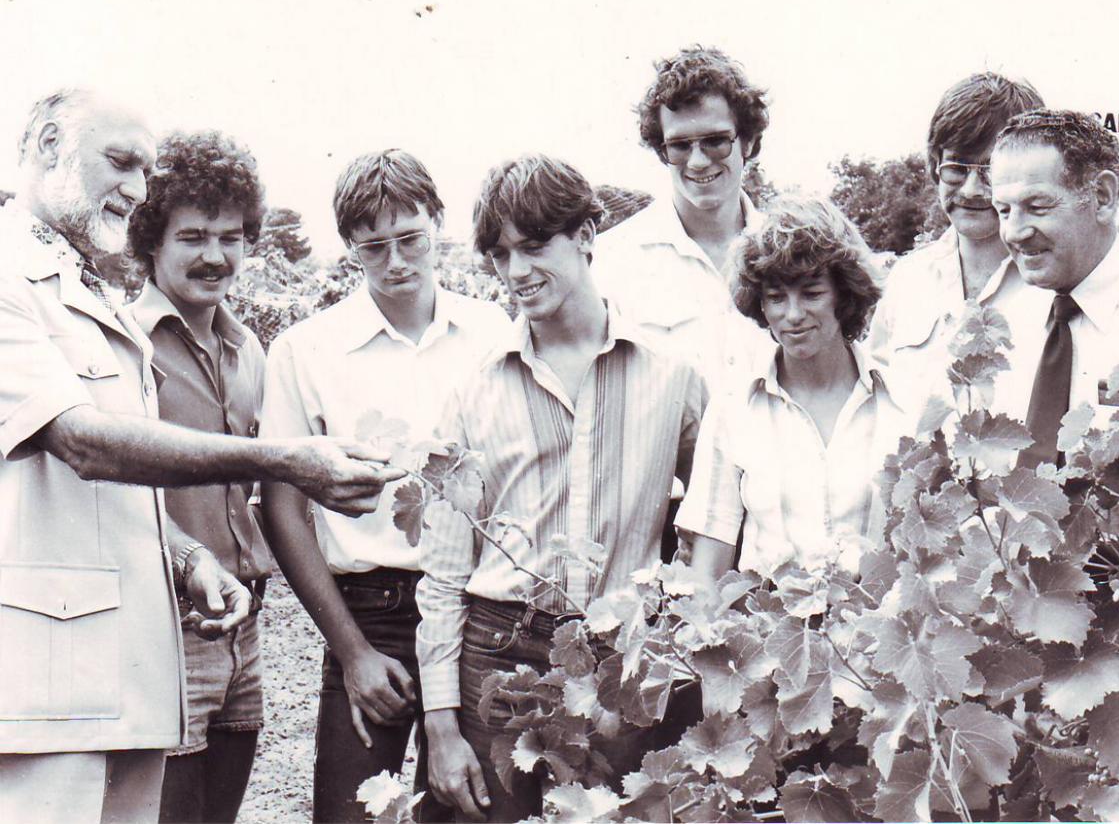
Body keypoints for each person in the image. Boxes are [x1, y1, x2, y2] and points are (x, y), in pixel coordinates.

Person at [0, 89, 397, 824]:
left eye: (144, 171)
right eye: (119, 162)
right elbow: (83, 440)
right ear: (47, 145)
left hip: (126, 657)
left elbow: (119, 490)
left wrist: (186, 561)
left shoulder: (85, 292)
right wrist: (281, 457)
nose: (134, 188)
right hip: (50, 674)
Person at [417, 155, 706, 822]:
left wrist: (665, 627)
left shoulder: (674, 380)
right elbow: (441, 571)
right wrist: (439, 726)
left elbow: (712, 527)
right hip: (500, 655)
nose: (517, 272)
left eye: (535, 245)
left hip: (625, 655)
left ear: (586, 234)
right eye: (500, 253)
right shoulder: (472, 392)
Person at [259, 149, 508, 823]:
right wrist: (352, 653)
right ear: (349, 250)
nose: (397, 263)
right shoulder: (306, 351)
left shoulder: (496, 335)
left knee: (465, 806)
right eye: (374, 248)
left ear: (438, 224)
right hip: (369, 610)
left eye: (411, 241)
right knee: (349, 811)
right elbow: (280, 507)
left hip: (476, 607)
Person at [125, 130, 271, 823]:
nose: (215, 255)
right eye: (193, 236)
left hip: (246, 623)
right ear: (150, 240)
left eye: (231, 236)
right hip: (168, 621)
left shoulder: (249, 350)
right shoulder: (127, 345)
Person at [678, 197, 908, 581]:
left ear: (844, 294)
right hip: (771, 633)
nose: (794, 314)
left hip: (875, 632)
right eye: (776, 297)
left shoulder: (904, 402)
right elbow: (708, 573)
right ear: (760, 305)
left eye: (812, 293)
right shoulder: (733, 409)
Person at [988, 109, 1119, 464]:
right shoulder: (1006, 321)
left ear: (1102, 197)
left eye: (1037, 206)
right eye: (1003, 211)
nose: (1014, 232)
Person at [592, 45, 773, 399]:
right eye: (679, 146)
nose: (698, 161)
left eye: (716, 141)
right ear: (662, 150)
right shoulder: (611, 263)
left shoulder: (790, 253)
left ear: (748, 142)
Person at [868, 72, 1044, 409]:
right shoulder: (906, 281)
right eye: (956, 169)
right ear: (935, 166)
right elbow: (877, 404)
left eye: (989, 170)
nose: (971, 189)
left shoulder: (1053, 285)